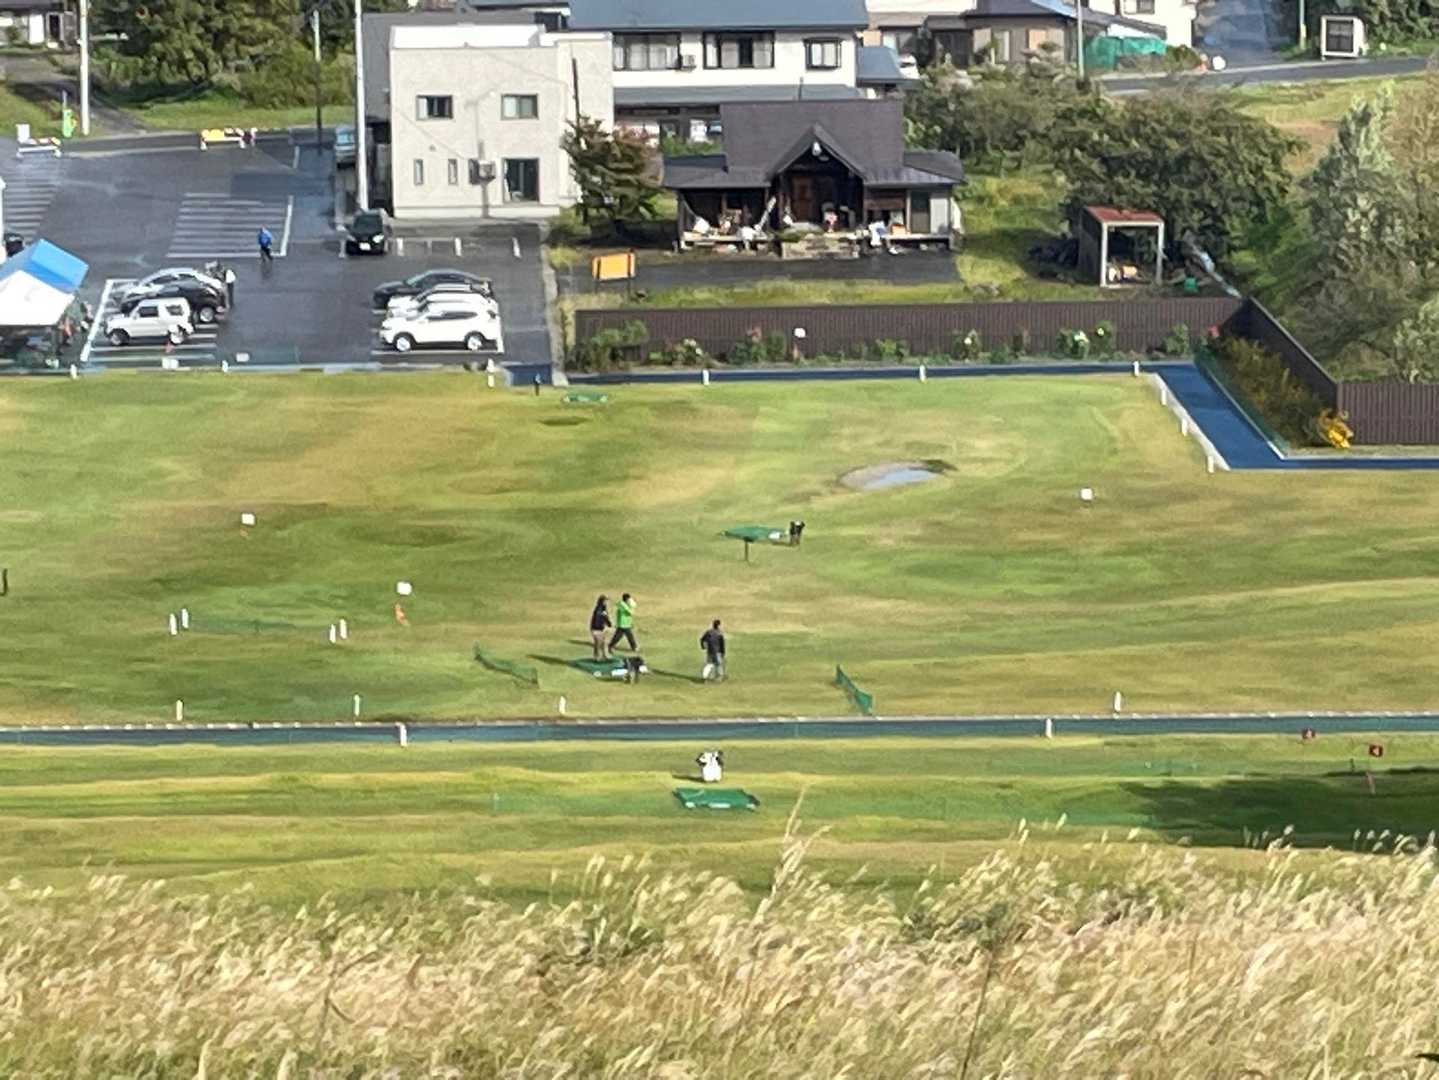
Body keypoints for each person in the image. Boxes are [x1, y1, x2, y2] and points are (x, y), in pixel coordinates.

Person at [589, 595, 611, 660]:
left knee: (604, 643)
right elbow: (597, 620)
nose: (606, 602)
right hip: (596, 629)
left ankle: (605, 655)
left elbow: (605, 617)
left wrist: (609, 624)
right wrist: (600, 628)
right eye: (605, 601)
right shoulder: (598, 609)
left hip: (601, 628)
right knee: (598, 643)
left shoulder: (603, 608)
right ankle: (597, 657)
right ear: (602, 601)